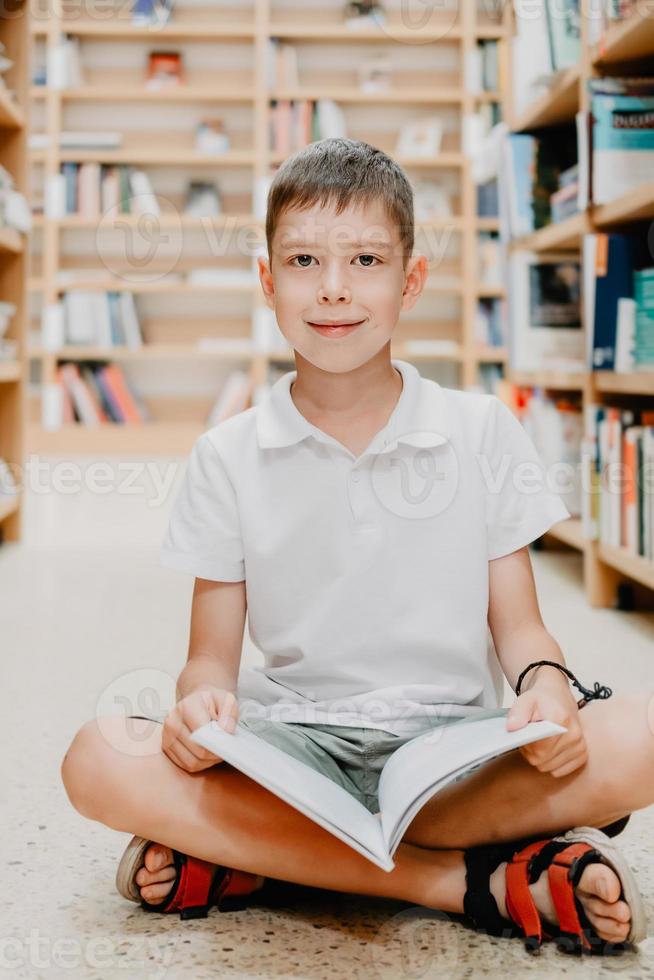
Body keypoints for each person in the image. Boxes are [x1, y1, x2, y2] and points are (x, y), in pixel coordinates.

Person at [61, 138, 652, 955]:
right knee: (97, 758)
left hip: (455, 753)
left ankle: (265, 862)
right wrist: (197, 709)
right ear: (267, 281)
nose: (333, 287)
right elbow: (208, 662)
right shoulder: (226, 455)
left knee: (640, 738)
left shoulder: (479, 430)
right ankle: (468, 880)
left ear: (411, 280)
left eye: (366, 259)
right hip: (295, 754)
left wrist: (547, 690)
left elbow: (521, 631)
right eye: (303, 259)